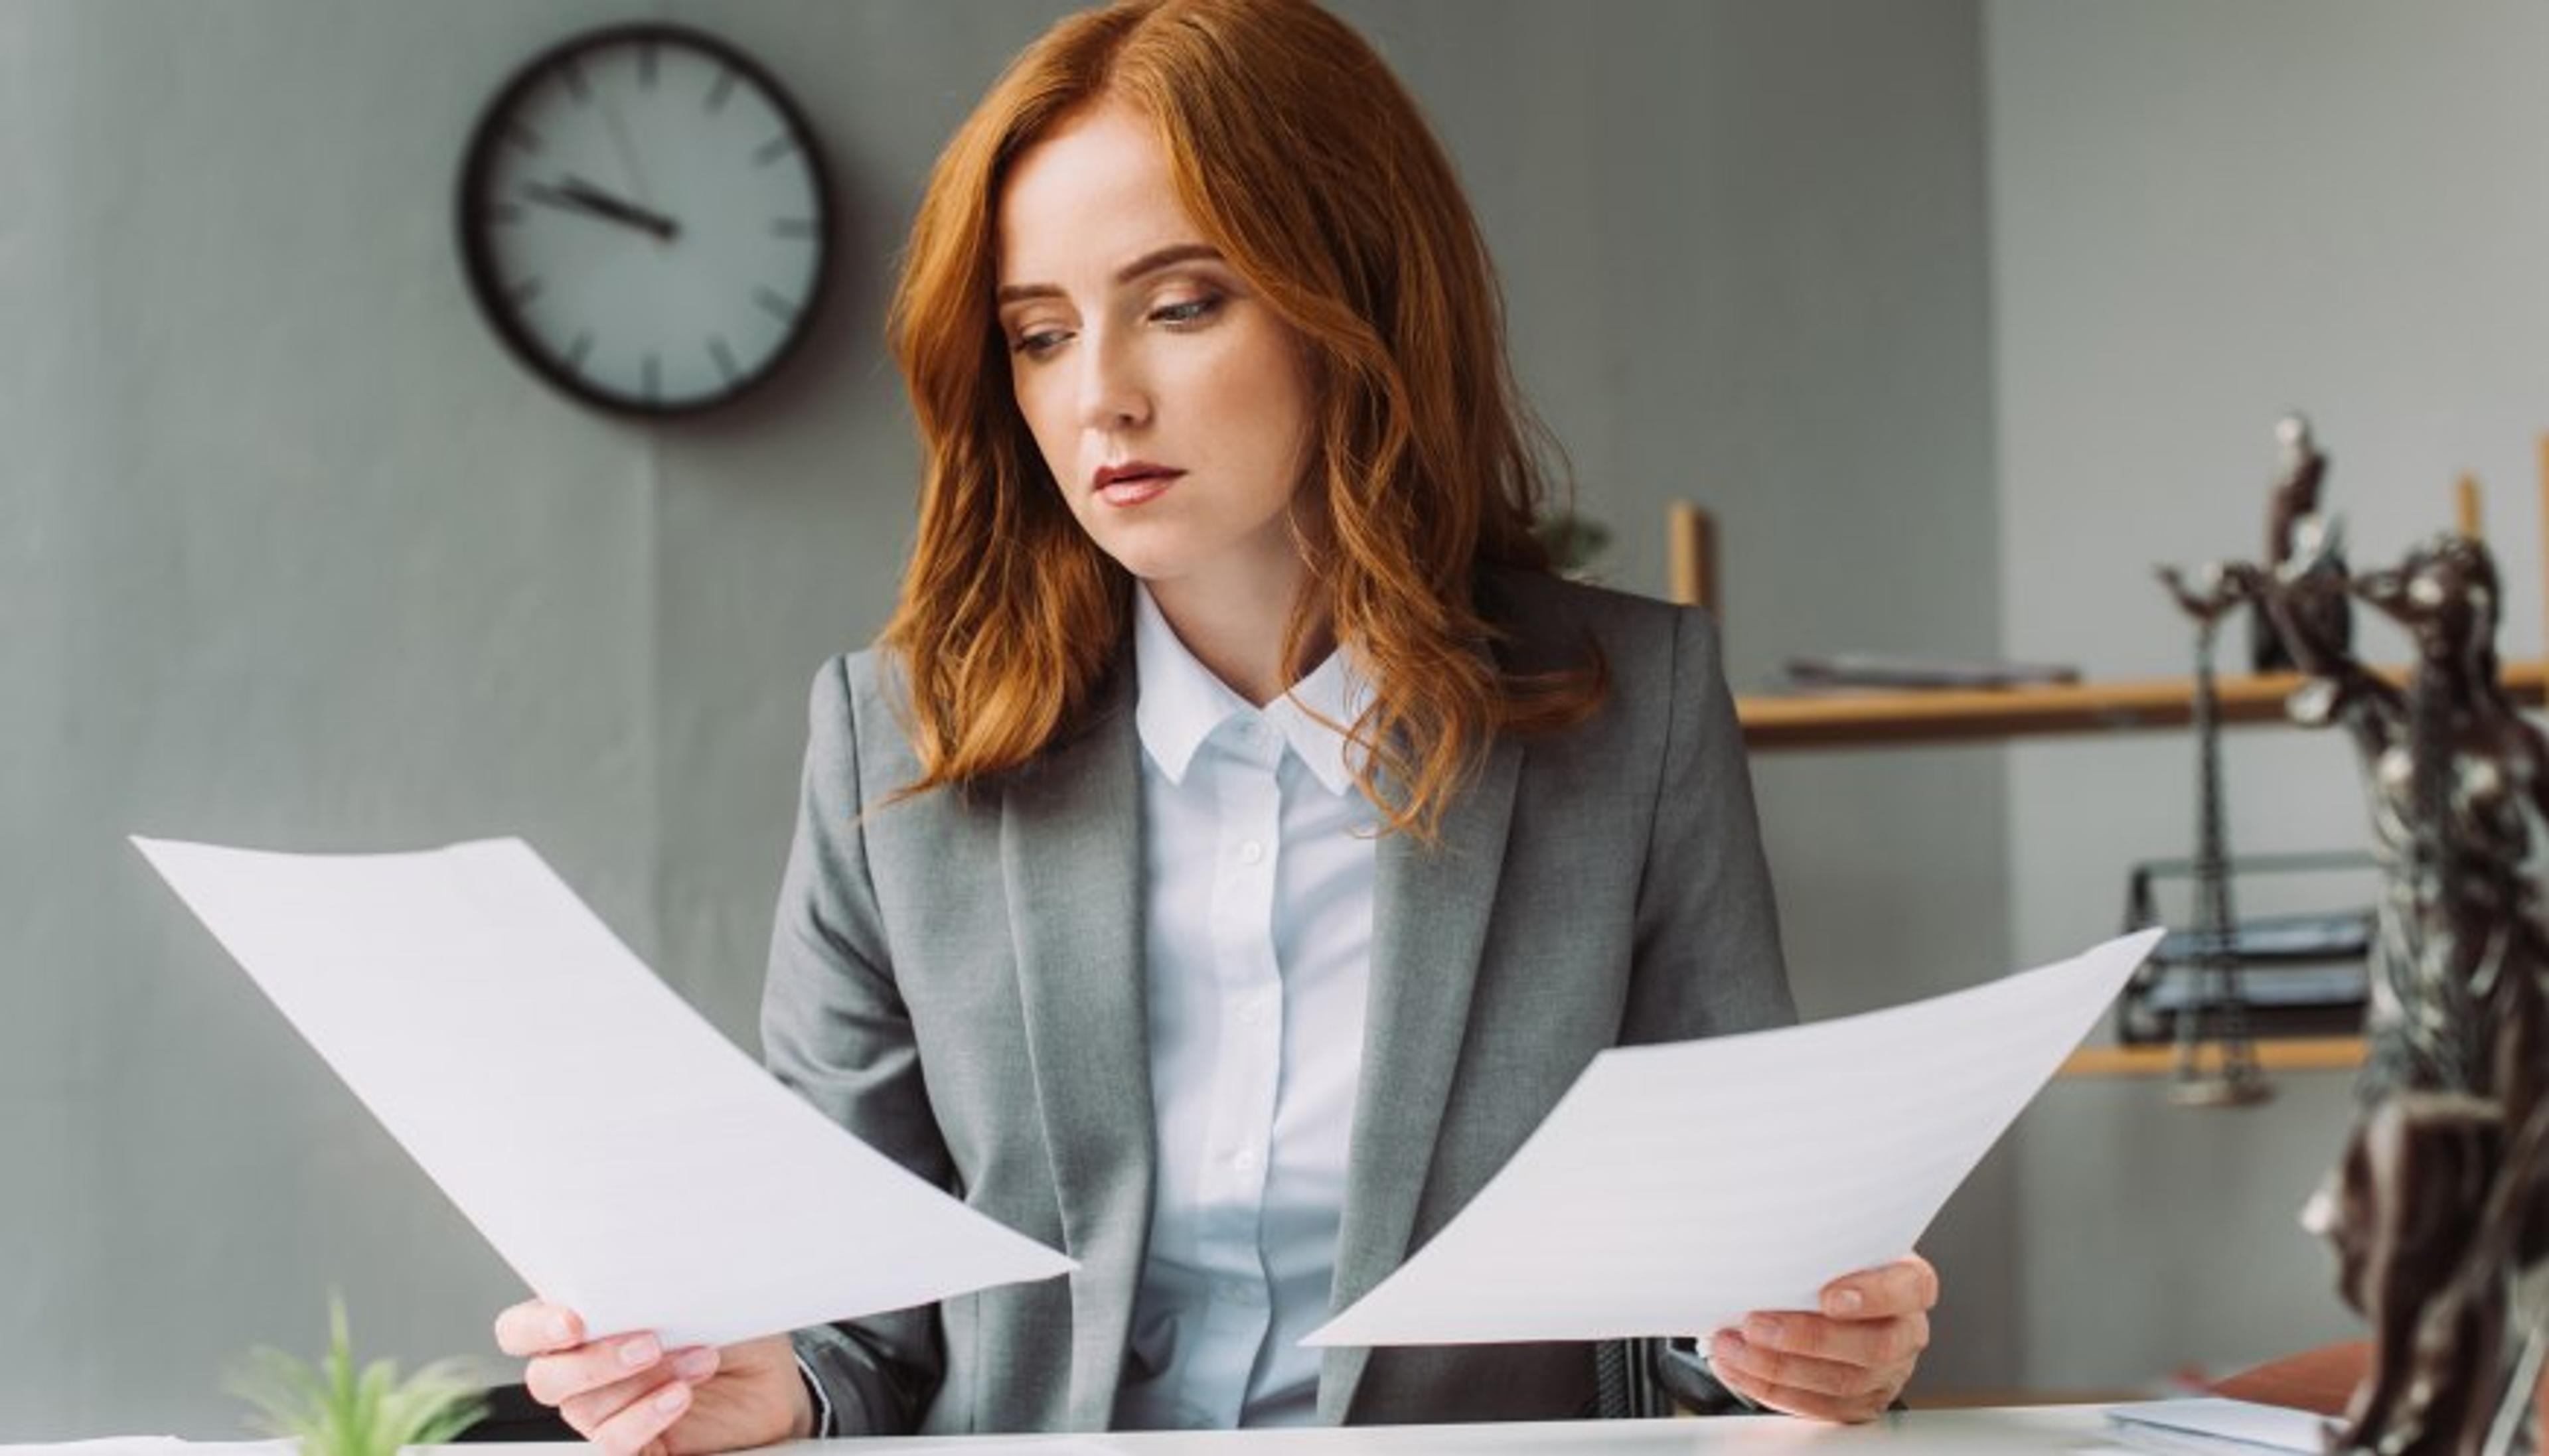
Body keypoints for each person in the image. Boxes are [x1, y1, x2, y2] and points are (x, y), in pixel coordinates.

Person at [492, 1, 1940, 1448]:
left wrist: (1809, 1344)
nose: (1100, 399)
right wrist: (777, 1382)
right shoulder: (897, 745)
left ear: (1354, 302)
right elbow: (849, 1313)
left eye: (1182, 306)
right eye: (1040, 334)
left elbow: (1727, 1276)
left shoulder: (1636, 713)